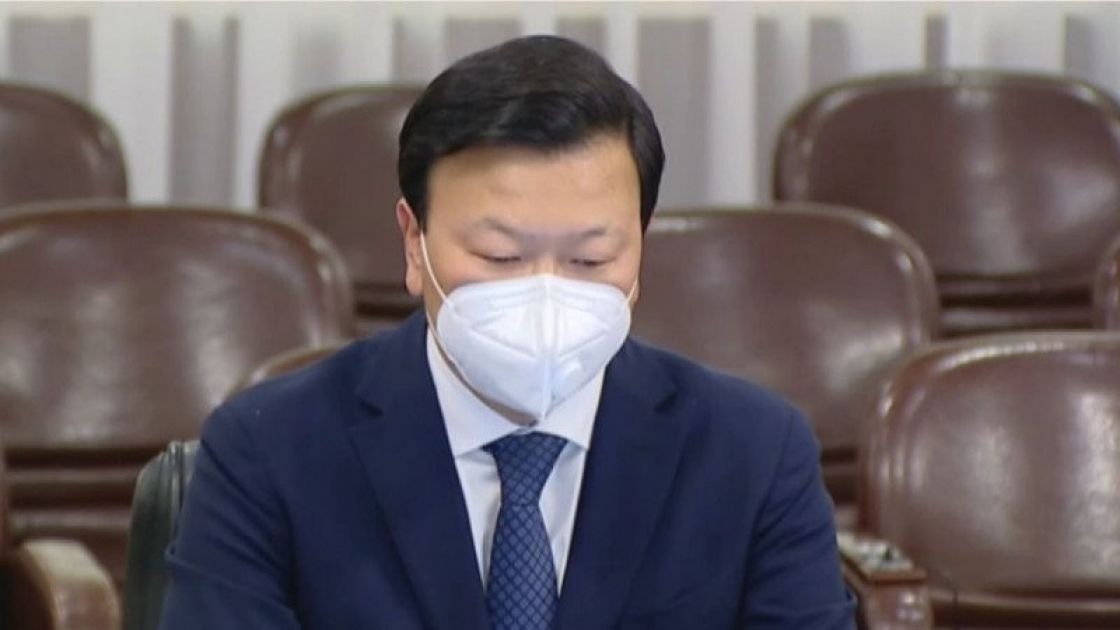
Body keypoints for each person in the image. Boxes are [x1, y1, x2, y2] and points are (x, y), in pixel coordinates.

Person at [159, 35, 855, 629]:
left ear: (641, 250)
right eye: (499, 256)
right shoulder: (271, 450)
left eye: (590, 259)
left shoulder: (753, 454)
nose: (544, 292)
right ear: (413, 242)